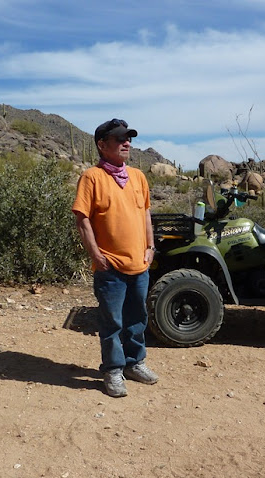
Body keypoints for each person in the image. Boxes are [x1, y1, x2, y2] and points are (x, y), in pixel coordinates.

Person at [72, 118, 159, 397]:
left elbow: (145, 213)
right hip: (110, 267)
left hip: (139, 264)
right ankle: (112, 370)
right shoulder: (91, 177)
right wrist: (96, 254)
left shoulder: (138, 177)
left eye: (129, 139)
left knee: (137, 319)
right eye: (120, 139)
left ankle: (134, 363)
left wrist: (150, 247)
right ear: (102, 144)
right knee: (112, 323)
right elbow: (82, 219)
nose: (127, 143)